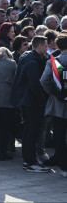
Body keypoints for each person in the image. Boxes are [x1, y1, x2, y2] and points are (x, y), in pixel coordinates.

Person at [10, 35, 51, 173]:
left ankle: (28, 160)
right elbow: (35, 85)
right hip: (32, 102)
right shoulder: (33, 62)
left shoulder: (27, 58)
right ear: (39, 46)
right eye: (45, 46)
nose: (47, 49)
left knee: (28, 131)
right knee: (32, 131)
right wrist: (42, 102)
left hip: (26, 101)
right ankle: (30, 162)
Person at [40, 33, 67, 177]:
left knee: (59, 135)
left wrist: (54, 93)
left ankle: (64, 167)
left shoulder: (53, 61)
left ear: (57, 46)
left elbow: (44, 81)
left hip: (58, 105)